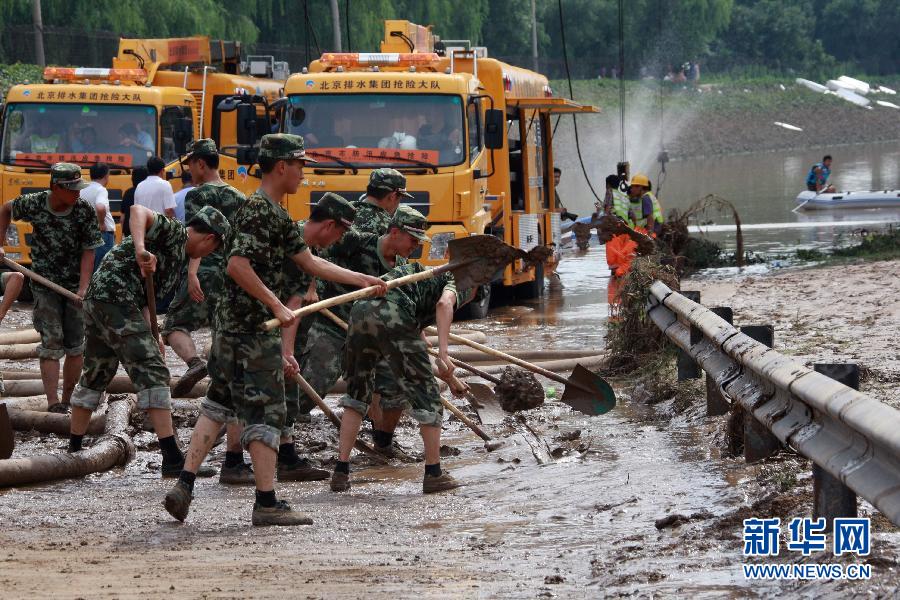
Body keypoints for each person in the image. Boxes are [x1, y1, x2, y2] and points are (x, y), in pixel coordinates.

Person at [163, 134, 387, 527]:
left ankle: (184, 484)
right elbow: (236, 265)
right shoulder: (257, 211)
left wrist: (364, 279)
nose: (303, 174)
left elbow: (313, 265)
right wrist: (276, 304)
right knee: (267, 410)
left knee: (218, 403)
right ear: (281, 167)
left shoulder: (279, 217)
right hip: (250, 331)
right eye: (299, 166)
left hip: (235, 328)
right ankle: (266, 502)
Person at [68, 204, 228, 475]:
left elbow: (144, 294)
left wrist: (153, 333)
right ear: (209, 239)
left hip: (105, 301)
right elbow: (137, 210)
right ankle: (172, 459)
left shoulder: (179, 255)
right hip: (114, 299)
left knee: (96, 372)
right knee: (154, 372)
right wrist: (141, 249)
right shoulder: (175, 233)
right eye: (212, 250)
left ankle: (73, 450)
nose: (207, 255)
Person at [288, 205, 429, 457]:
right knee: (314, 382)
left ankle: (383, 442)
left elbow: (407, 308)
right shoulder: (357, 242)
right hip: (334, 324)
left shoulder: (403, 268)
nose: (416, 245)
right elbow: (306, 245)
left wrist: (420, 339)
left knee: (397, 386)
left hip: (373, 334)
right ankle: (277, 436)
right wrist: (311, 285)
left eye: (419, 241)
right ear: (394, 232)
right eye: (413, 239)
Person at [330, 260, 465, 494]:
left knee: (357, 394)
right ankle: (434, 474)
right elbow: (444, 304)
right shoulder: (458, 280)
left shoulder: (425, 272)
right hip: (393, 313)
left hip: (361, 309)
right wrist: (444, 353)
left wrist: (449, 376)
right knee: (427, 396)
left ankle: (340, 472)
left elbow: (412, 319)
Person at [161, 139, 250, 485]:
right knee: (230, 366)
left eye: (190, 166)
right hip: (234, 279)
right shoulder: (240, 198)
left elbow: (199, 237)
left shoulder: (199, 195)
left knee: (173, 326)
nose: (189, 172)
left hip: (207, 272)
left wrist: (192, 271)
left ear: (200, 164)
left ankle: (195, 362)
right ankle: (234, 456)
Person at [0, 163, 103, 413]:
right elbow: (5, 209)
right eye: (71, 189)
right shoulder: (34, 203)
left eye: (79, 188)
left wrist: (83, 288)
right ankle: (53, 402)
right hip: (43, 282)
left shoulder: (84, 210)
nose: (77, 194)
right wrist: (0, 243)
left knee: (76, 344)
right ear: (55, 187)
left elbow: (89, 250)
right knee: (51, 342)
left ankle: (68, 399)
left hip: (73, 285)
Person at [354, 168, 413, 233]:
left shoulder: (346, 211)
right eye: (399, 199)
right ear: (393, 196)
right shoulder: (388, 228)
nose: (398, 204)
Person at [80, 163, 116, 269]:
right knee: (102, 268)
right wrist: (101, 223)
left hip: (87, 232)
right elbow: (100, 207)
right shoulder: (101, 190)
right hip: (102, 234)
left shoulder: (83, 189)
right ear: (106, 175)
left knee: (89, 267)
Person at [121, 166, 149, 237]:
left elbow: (122, 217)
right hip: (143, 230)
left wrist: (122, 232)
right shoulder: (148, 192)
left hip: (129, 231)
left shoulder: (128, 192)